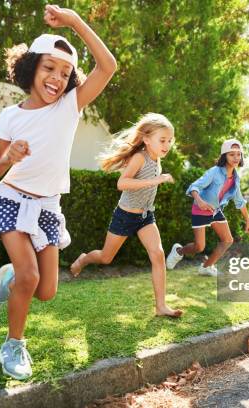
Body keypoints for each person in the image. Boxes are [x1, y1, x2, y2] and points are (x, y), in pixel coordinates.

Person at [0, 5, 116, 380]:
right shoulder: (11, 116)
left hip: (47, 207)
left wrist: (75, 21)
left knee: (45, 291)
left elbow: (107, 67)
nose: (57, 79)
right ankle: (13, 345)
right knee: (31, 278)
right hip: (9, 200)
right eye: (49, 68)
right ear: (30, 68)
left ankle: (8, 277)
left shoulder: (69, 106)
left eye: (65, 73)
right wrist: (9, 157)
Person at [70, 113, 183, 318]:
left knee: (157, 255)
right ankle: (83, 259)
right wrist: (155, 181)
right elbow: (122, 183)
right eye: (162, 140)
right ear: (147, 139)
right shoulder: (140, 157)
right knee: (106, 257)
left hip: (145, 217)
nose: (167, 144)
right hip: (125, 216)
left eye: (169, 140)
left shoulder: (156, 158)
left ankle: (161, 307)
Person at [166, 139, 249, 276]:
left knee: (227, 240)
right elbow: (194, 187)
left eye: (238, 154)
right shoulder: (214, 172)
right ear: (225, 156)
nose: (236, 158)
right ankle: (179, 251)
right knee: (199, 247)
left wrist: (248, 221)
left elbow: (240, 201)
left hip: (215, 211)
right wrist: (199, 201)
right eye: (232, 154)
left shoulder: (235, 179)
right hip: (200, 209)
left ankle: (206, 267)